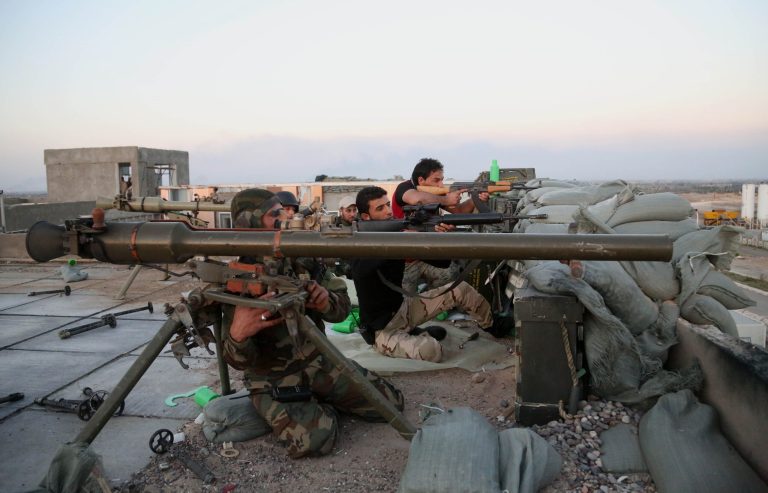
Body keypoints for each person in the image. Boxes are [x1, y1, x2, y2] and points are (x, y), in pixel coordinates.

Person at [222, 188, 404, 459]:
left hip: (320, 362)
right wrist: (238, 334)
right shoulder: (235, 279)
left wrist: (325, 301)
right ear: (250, 223)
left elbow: (342, 309)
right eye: (275, 215)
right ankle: (311, 406)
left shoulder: (302, 259)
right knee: (316, 442)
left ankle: (314, 401)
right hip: (274, 379)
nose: (286, 217)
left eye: (284, 211)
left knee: (391, 403)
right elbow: (238, 361)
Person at [350, 186, 510, 363]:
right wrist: (400, 241)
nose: (389, 211)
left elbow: (442, 263)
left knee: (461, 290)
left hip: (403, 309)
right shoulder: (359, 241)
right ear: (366, 217)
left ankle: (494, 326)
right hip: (382, 330)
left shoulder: (397, 232)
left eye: (388, 205)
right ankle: (412, 335)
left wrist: (436, 238)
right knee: (431, 350)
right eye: (380, 208)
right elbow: (358, 271)